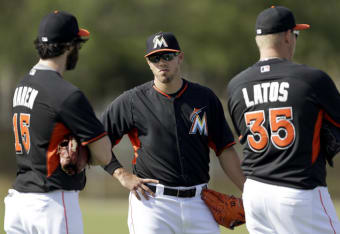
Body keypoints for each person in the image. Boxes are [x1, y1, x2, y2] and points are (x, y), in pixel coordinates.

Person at [101, 31, 245, 234]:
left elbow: (224, 149)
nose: (161, 62)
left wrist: (248, 190)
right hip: (152, 203)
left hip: (200, 202)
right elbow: (97, 141)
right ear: (148, 63)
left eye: (167, 56)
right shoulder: (131, 101)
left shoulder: (204, 98)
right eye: (155, 58)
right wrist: (120, 173)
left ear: (180, 57)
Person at [4, 10, 124, 234]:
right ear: (69, 46)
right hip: (51, 204)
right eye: (77, 44)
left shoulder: (22, 84)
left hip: (18, 203)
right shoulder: (66, 94)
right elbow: (104, 155)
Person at [227, 5, 340, 234]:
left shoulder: (236, 85)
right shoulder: (312, 80)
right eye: (295, 34)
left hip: (255, 193)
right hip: (299, 191)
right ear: (288, 36)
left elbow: (244, 136)